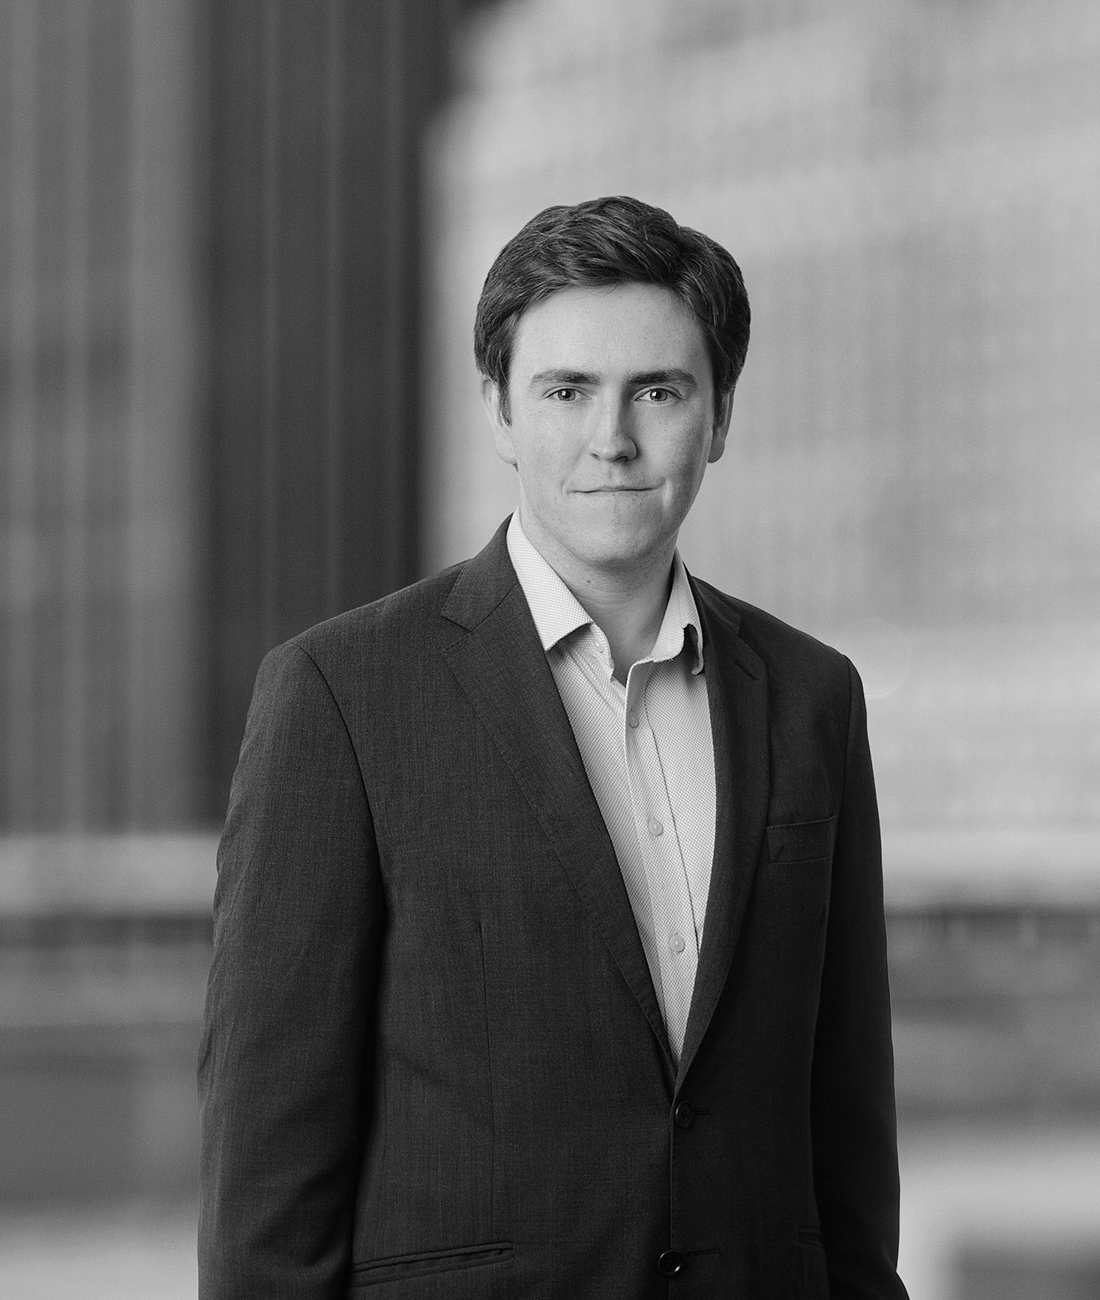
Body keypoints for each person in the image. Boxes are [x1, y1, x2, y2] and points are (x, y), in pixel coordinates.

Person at [199, 195, 908, 1299]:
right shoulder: (339, 695)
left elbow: (846, 1117)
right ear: (498, 410)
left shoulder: (813, 697)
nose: (610, 439)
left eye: (657, 391)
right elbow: (268, 1170)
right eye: (565, 390)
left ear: (719, 416)